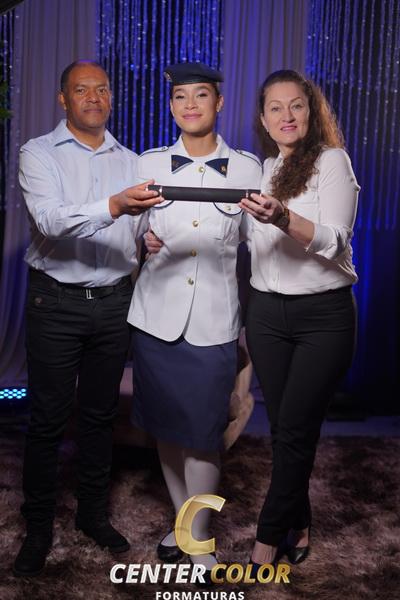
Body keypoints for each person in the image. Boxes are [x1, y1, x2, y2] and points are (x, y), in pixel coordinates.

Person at [13, 60, 160, 577]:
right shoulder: (38, 153)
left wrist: (148, 237)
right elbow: (51, 221)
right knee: (48, 420)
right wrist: (115, 206)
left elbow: (140, 230)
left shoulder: (133, 161)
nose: (93, 97)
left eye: (102, 89)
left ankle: (92, 515)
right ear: (63, 99)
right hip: (55, 304)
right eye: (82, 89)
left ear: (111, 98)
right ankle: (37, 528)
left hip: (115, 302)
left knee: (100, 417)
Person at [127, 62, 262, 581]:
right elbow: (129, 228)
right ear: (171, 106)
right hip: (155, 318)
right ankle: (185, 526)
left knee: (203, 434)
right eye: (180, 96)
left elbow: (261, 242)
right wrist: (142, 238)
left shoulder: (248, 168)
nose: (189, 105)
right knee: (167, 430)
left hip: (213, 321)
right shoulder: (149, 162)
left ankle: (197, 537)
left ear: (218, 103)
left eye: (200, 95)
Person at [238, 69, 359, 568]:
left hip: (322, 318)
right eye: (276, 108)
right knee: (285, 428)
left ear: (311, 113)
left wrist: (284, 217)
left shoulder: (331, 161)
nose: (286, 116)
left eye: (296, 106)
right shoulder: (264, 169)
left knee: (294, 429)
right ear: (263, 119)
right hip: (267, 314)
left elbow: (336, 241)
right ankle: (300, 522)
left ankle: (266, 541)